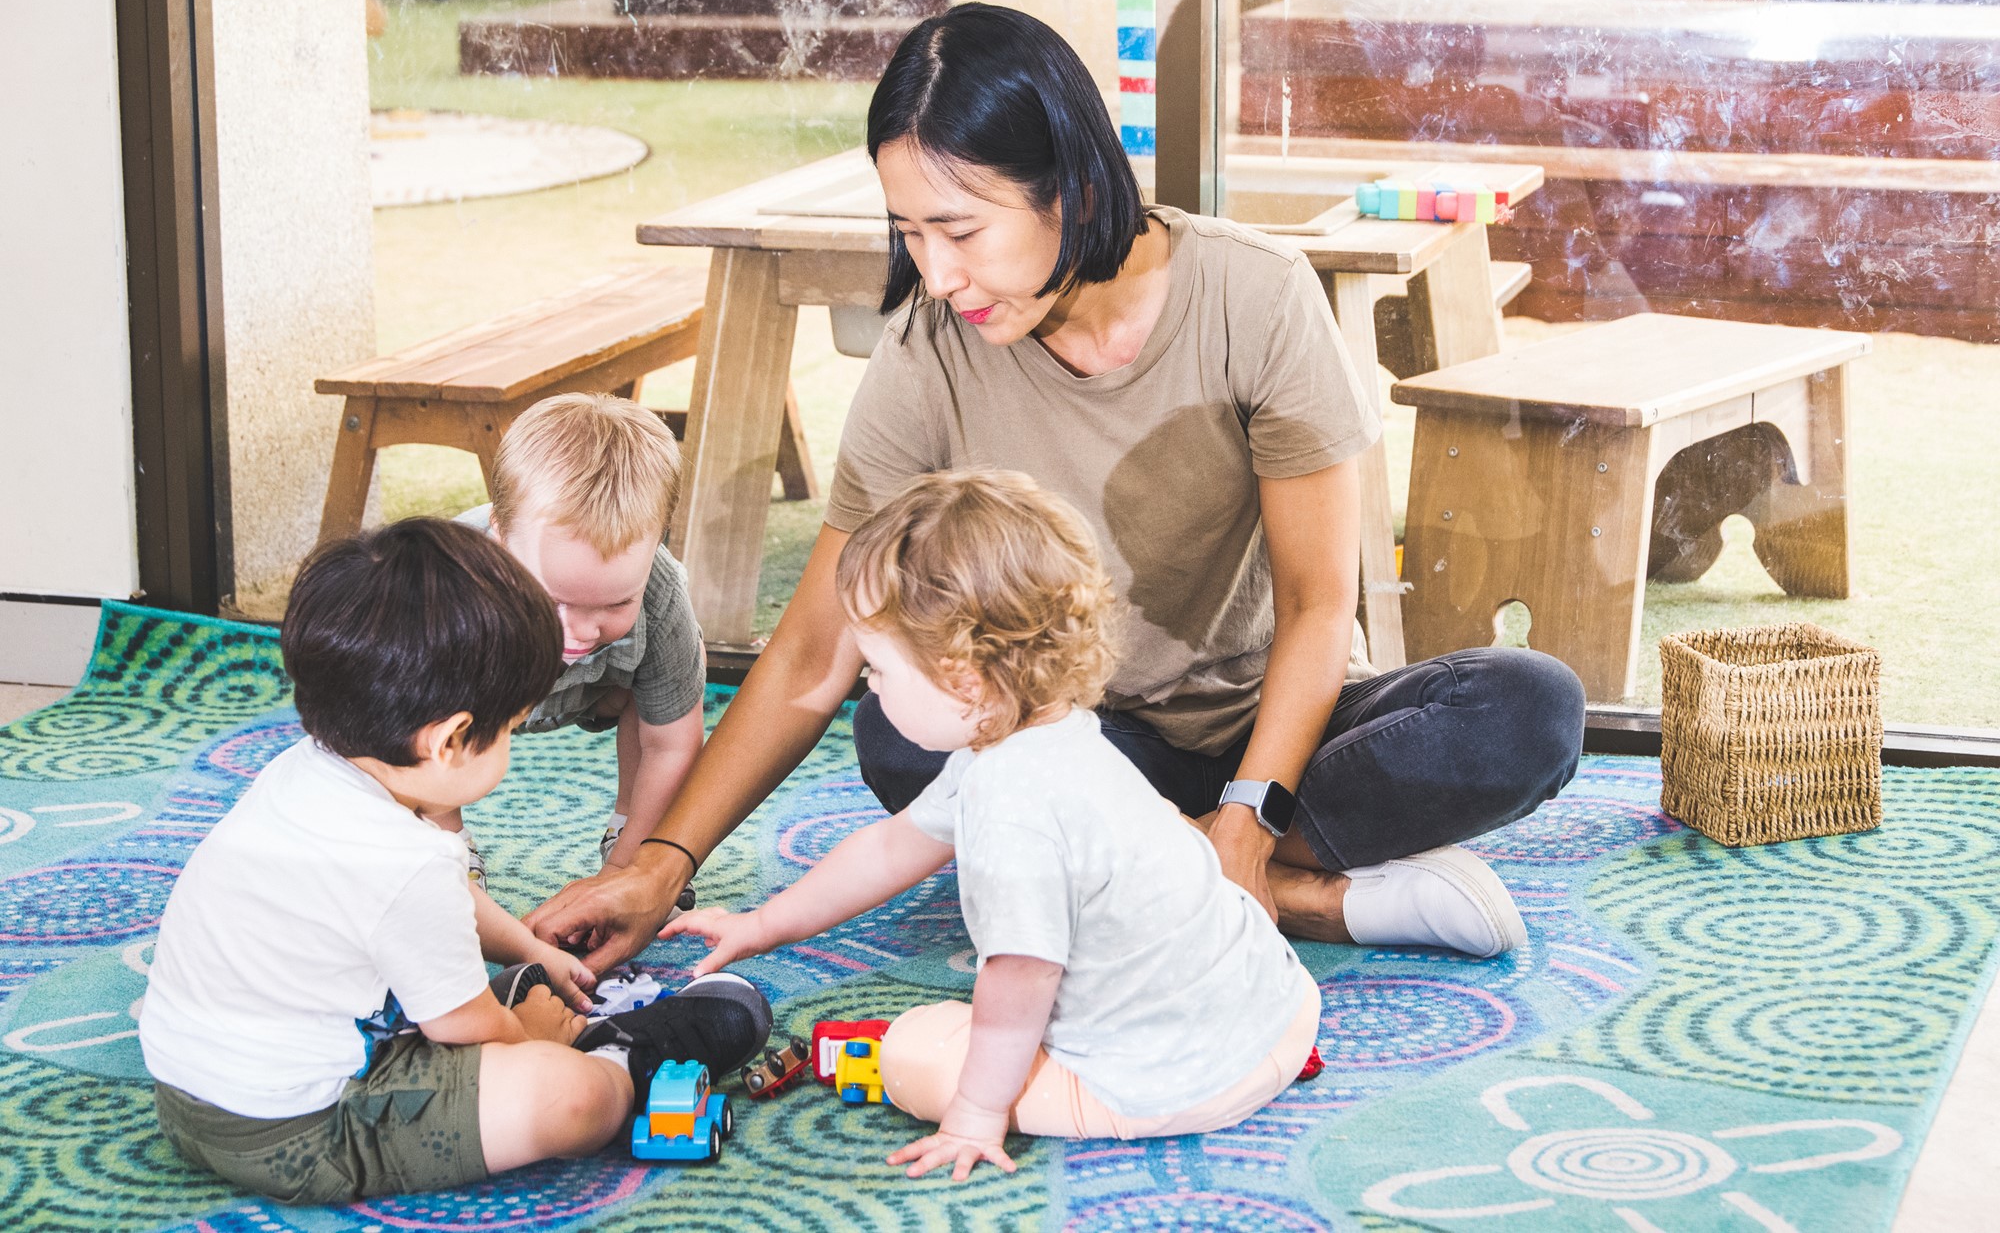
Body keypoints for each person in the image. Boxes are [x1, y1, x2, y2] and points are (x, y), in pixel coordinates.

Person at [528, 2, 1584, 975]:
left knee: (1526, 710)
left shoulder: (1254, 295)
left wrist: (1249, 815)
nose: (936, 275)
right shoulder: (927, 353)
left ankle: (1156, 868)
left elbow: (1318, 602)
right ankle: (1305, 896)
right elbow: (815, 650)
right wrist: (660, 864)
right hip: (1072, 734)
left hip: (1280, 731)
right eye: (908, 233)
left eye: (960, 231)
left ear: (1071, 189)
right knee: (902, 734)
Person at [668, 471, 1321, 1178]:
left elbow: (1021, 979)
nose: (870, 686)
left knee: (915, 1051)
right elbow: (891, 847)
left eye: (878, 668)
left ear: (963, 680)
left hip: (1170, 1085)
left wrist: (977, 1112)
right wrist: (765, 924)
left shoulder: (1013, 813)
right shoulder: (1045, 733)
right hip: (1282, 1011)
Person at [138, 519, 763, 1205]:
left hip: (190, 1100)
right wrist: (530, 1038)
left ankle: (527, 1015)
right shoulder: (406, 863)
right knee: (569, 1098)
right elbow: (461, 1026)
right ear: (451, 741)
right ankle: (622, 1055)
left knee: (486, 995)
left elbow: (444, 904)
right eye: (512, 729)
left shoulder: (303, 773)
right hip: (305, 1132)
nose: (512, 743)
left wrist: (529, 948)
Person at [450, 393, 707, 886]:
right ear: (500, 538)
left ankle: (627, 830)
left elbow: (673, 747)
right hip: (462, 703)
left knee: (680, 663)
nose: (582, 631)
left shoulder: (659, 591)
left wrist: (627, 874)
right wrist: (441, 851)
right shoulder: (446, 584)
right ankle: (450, 845)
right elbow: (404, 730)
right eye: (555, 601)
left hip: (596, 695)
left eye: (616, 604)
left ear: (657, 540)